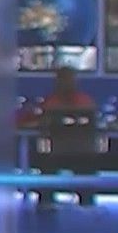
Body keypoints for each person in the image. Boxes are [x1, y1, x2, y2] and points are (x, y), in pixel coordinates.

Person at [35, 66, 98, 208]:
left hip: (61, 153)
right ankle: (86, 203)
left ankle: (46, 202)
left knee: (46, 165)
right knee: (49, 165)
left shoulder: (51, 103)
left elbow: (42, 126)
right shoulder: (86, 102)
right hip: (78, 153)